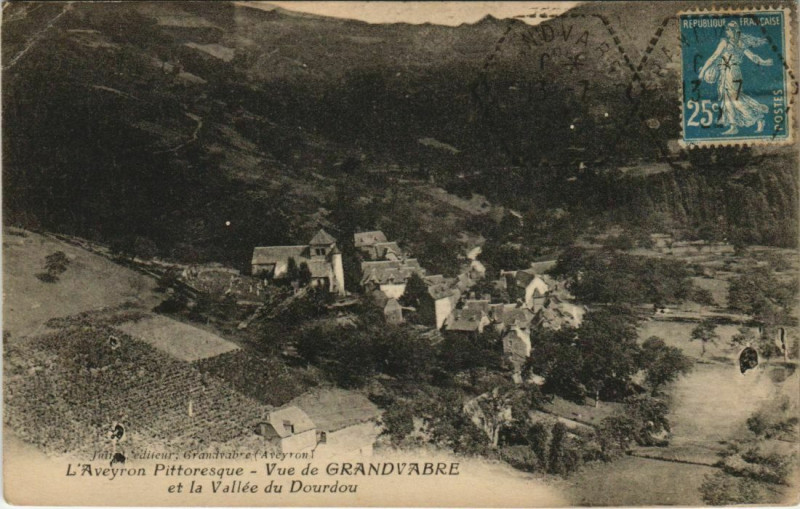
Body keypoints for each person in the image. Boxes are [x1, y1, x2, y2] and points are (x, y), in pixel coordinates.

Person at [698, 20, 773, 135]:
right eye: (727, 29)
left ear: (733, 31)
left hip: (730, 72)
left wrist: (702, 72)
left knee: (735, 99)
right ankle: (734, 126)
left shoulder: (726, 42)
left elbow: (714, 57)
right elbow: (753, 57)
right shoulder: (739, 43)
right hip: (730, 72)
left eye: (728, 29)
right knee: (728, 98)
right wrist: (764, 62)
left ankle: (758, 116)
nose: (727, 32)